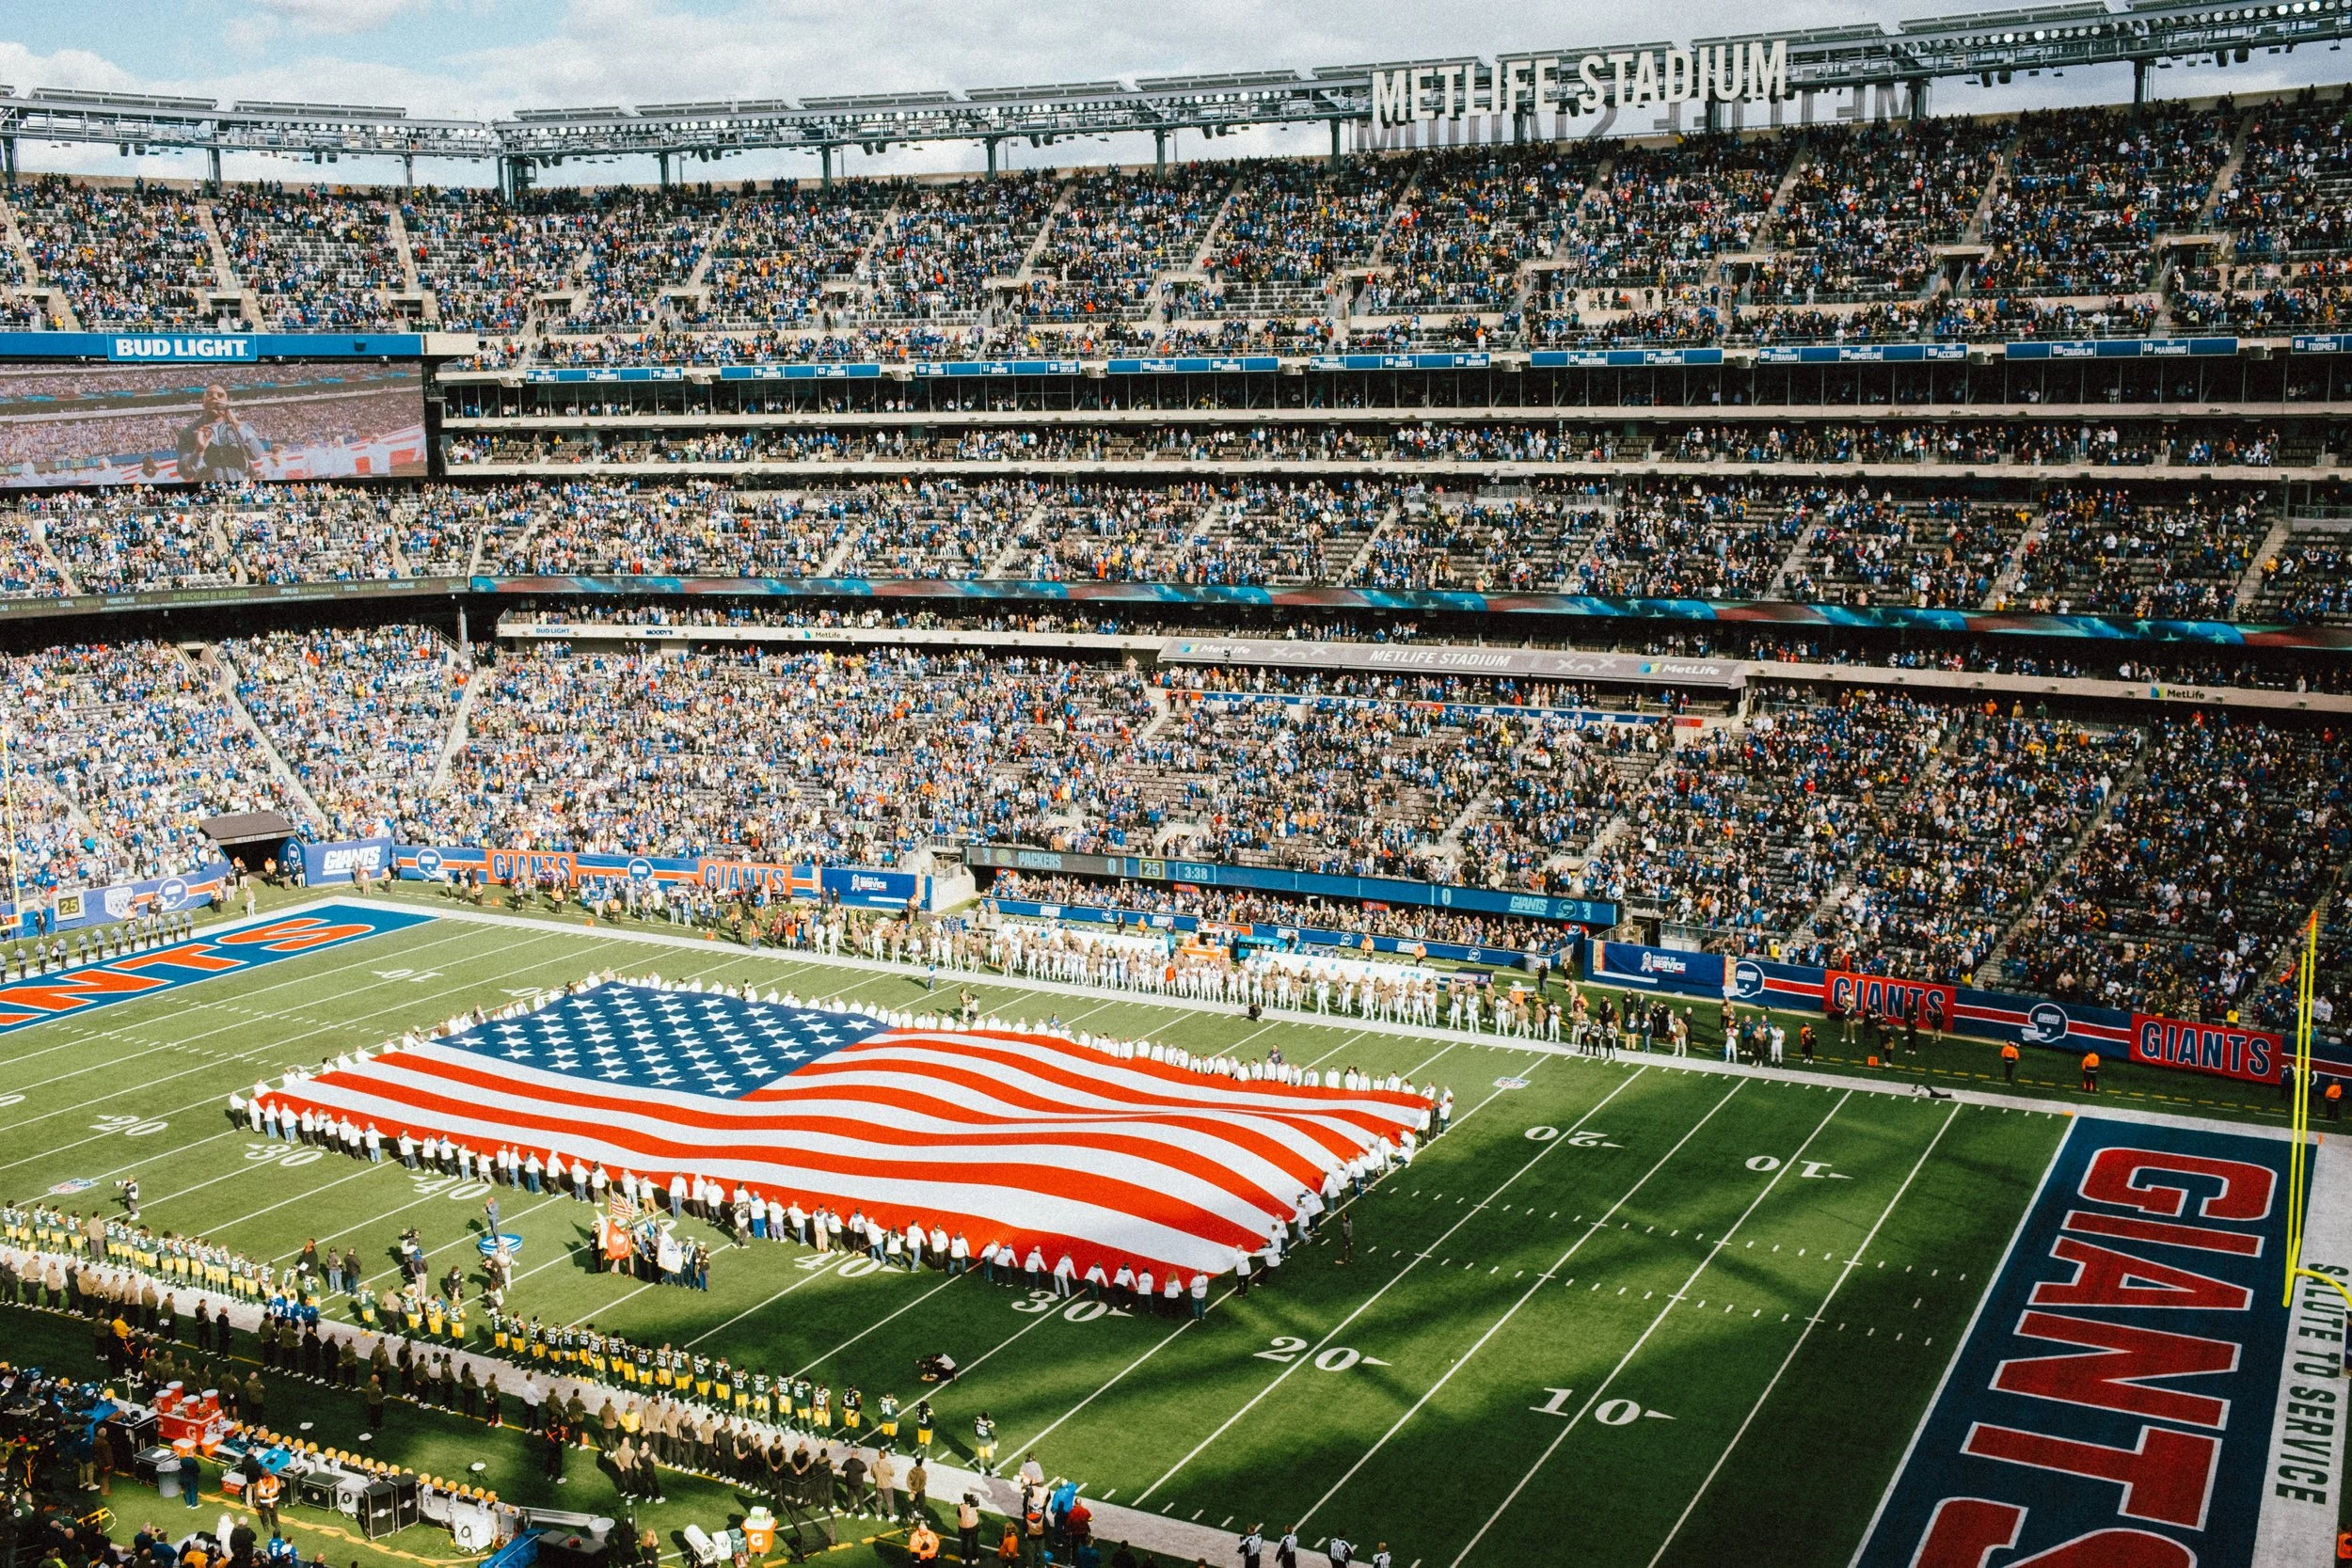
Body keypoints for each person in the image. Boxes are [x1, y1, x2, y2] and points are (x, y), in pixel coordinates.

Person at [175, 385, 270, 483]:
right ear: (203, 402)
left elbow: (257, 454)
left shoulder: (242, 427)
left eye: (220, 395)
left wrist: (236, 425)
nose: (215, 397)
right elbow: (185, 473)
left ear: (226, 402)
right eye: (209, 394)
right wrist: (199, 450)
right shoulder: (189, 432)